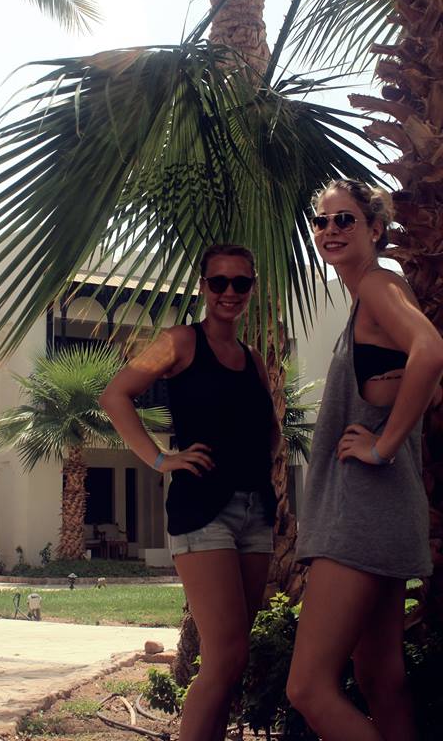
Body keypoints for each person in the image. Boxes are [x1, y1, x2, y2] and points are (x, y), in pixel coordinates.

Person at [99, 244, 280, 741]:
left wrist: (265, 462)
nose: (229, 292)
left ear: (251, 288)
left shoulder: (253, 359)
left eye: (240, 282)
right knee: (224, 654)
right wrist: (161, 458)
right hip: (203, 512)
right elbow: (115, 394)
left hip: (256, 511)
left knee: (234, 658)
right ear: (203, 287)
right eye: (218, 282)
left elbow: (268, 428)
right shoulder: (178, 342)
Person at [287, 179, 443, 741]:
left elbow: (431, 351)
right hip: (388, 512)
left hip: (360, 516)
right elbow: (420, 378)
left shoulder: (378, 285)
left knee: (307, 688)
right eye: (322, 221)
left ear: (375, 229)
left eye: (345, 219)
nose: (330, 230)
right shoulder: (369, 300)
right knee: (379, 676)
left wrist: (383, 445)